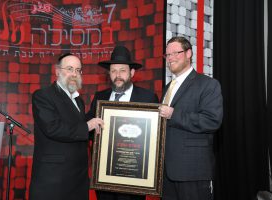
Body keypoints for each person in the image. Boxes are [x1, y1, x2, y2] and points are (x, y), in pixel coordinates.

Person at [87, 45, 159, 200]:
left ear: (132, 73)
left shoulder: (148, 98)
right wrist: (92, 126)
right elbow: (87, 128)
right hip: (104, 176)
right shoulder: (100, 97)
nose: (117, 75)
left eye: (122, 70)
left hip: (134, 176)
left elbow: (154, 138)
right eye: (113, 71)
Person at [29, 53, 104, 200]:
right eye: (69, 69)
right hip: (54, 181)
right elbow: (53, 128)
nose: (74, 74)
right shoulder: (43, 96)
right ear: (57, 71)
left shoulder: (79, 101)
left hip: (78, 180)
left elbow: (78, 131)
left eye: (78, 70)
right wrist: (88, 126)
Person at [159, 36, 223, 200]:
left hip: (192, 171)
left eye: (176, 53)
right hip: (165, 172)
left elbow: (212, 121)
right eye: (168, 55)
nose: (171, 58)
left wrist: (174, 114)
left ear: (189, 53)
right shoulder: (168, 87)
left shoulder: (208, 84)